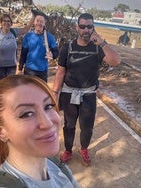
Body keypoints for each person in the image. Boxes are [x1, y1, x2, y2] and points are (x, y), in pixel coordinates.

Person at [0, 75, 80, 187]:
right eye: (27, 114)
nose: (47, 123)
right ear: (0, 131)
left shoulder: (55, 165)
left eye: (48, 106)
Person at [53, 13, 121, 166]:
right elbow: (61, 71)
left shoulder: (98, 48)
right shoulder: (68, 47)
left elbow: (116, 61)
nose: (85, 29)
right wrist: (55, 93)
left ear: (93, 28)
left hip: (88, 95)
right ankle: (68, 150)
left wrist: (102, 43)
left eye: (89, 26)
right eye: (82, 26)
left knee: (87, 126)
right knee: (69, 125)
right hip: (69, 93)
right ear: (77, 28)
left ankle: (84, 149)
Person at [17, 13, 59, 82]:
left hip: (42, 72)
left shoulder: (49, 37)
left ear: (44, 23)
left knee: (41, 92)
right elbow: (23, 54)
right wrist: (20, 69)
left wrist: (52, 55)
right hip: (29, 70)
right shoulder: (28, 36)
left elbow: (56, 52)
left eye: (41, 21)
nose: (39, 23)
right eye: (37, 21)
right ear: (34, 22)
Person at [0, 14, 33, 81]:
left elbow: (26, 29)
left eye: (8, 21)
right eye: (4, 21)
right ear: (1, 23)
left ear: (11, 23)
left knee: (10, 87)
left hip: (12, 66)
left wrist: (33, 16)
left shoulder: (13, 32)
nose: (6, 23)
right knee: (2, 87)